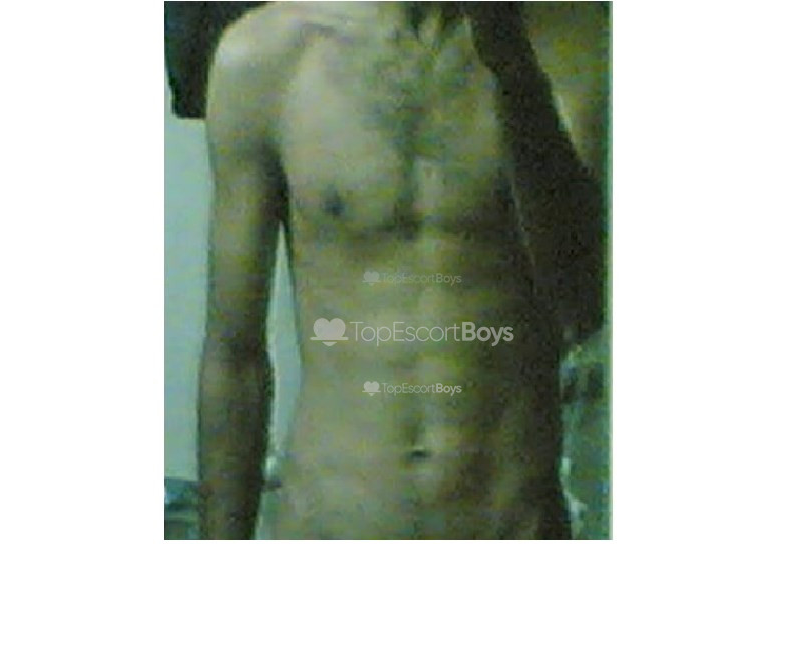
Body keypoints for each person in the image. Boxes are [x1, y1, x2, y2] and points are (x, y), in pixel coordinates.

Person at [198, 2, 604, 539]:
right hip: (335, 526)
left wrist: (512, 70)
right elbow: (234, 357)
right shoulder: (265, 57)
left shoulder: (577, 43)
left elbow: (584, 308)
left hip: (509, 525)